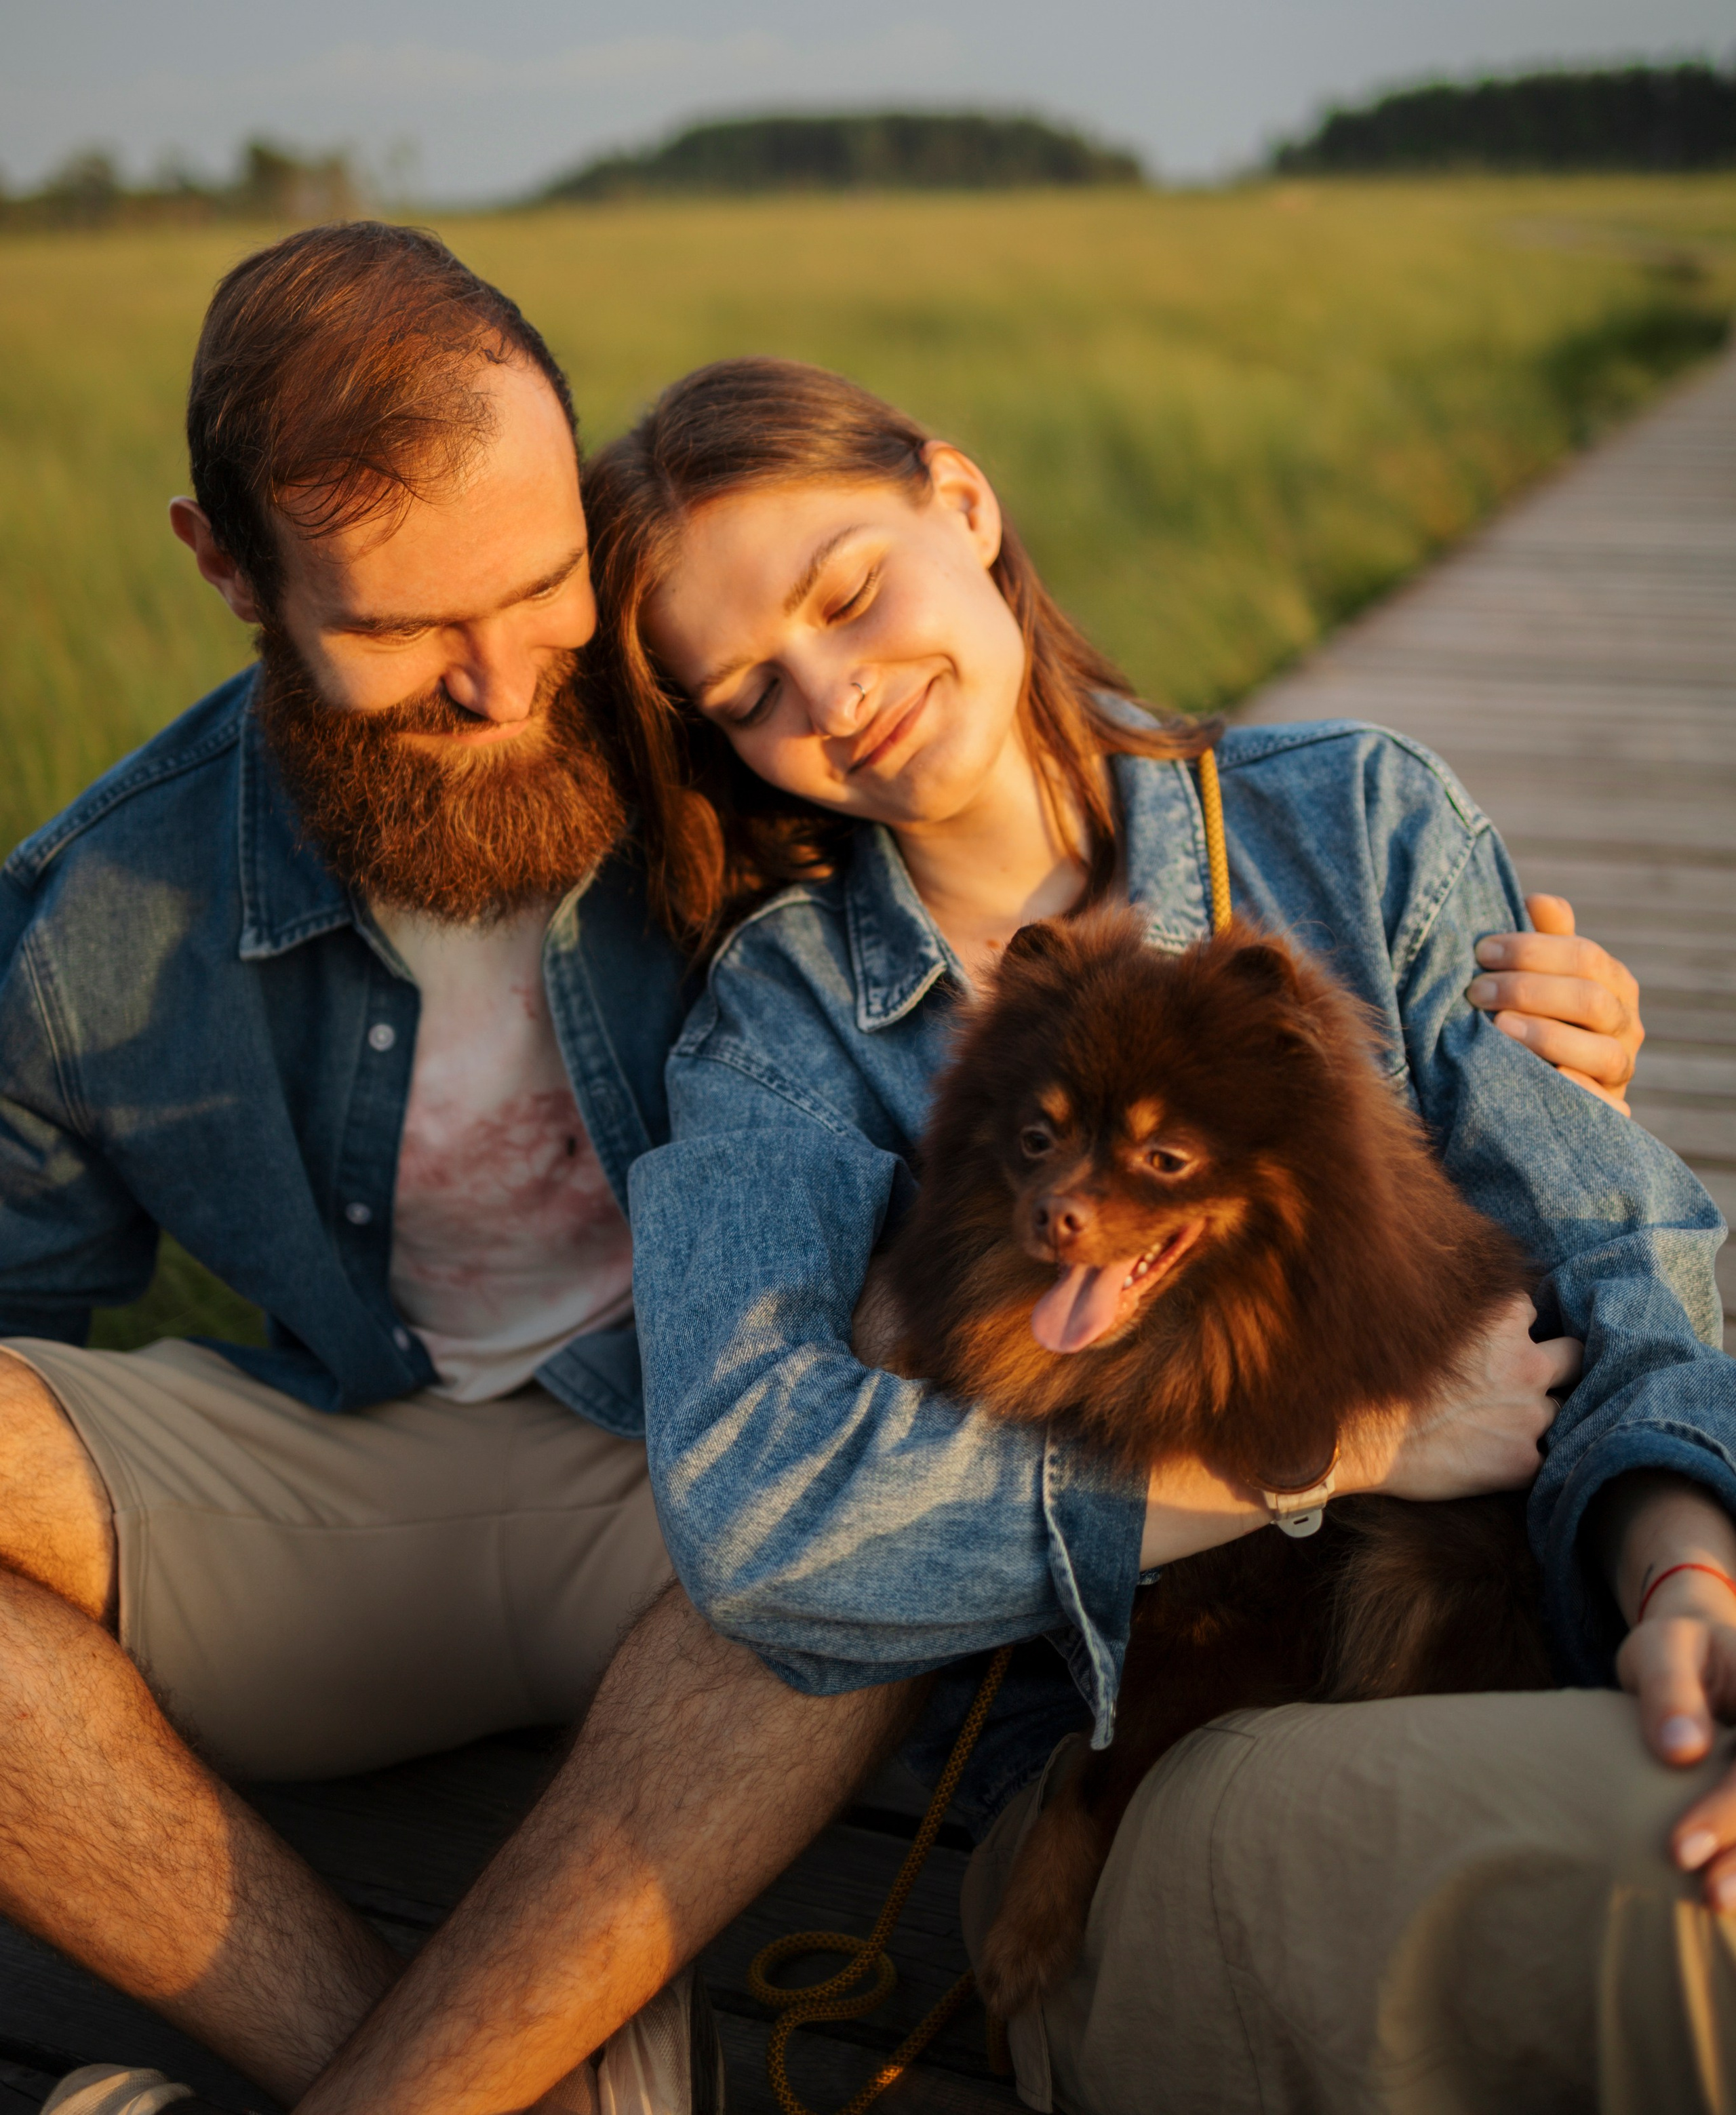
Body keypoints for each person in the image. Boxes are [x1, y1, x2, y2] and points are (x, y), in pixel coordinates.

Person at [0, 231, 1649, 2115]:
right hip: (385, 1468)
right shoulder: (99, 922)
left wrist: (1485, 1052)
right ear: (229, 571)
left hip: (725, 1473)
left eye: (541, 589)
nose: (492, 681)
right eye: (395, 629)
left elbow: (1041, 832)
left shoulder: (712, 715)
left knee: (813, 1494)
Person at [588, 356, 1735, 2112]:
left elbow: (1617, 1245)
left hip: (1525, 1644)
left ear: (960, 504)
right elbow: (761, 1510)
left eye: (847, 591)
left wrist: (1682, 1571)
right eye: (750, 690)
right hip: (1151, 1787)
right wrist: (1313, 1457)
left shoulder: (1356, 824)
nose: (836, 692)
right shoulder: (787, 1028)